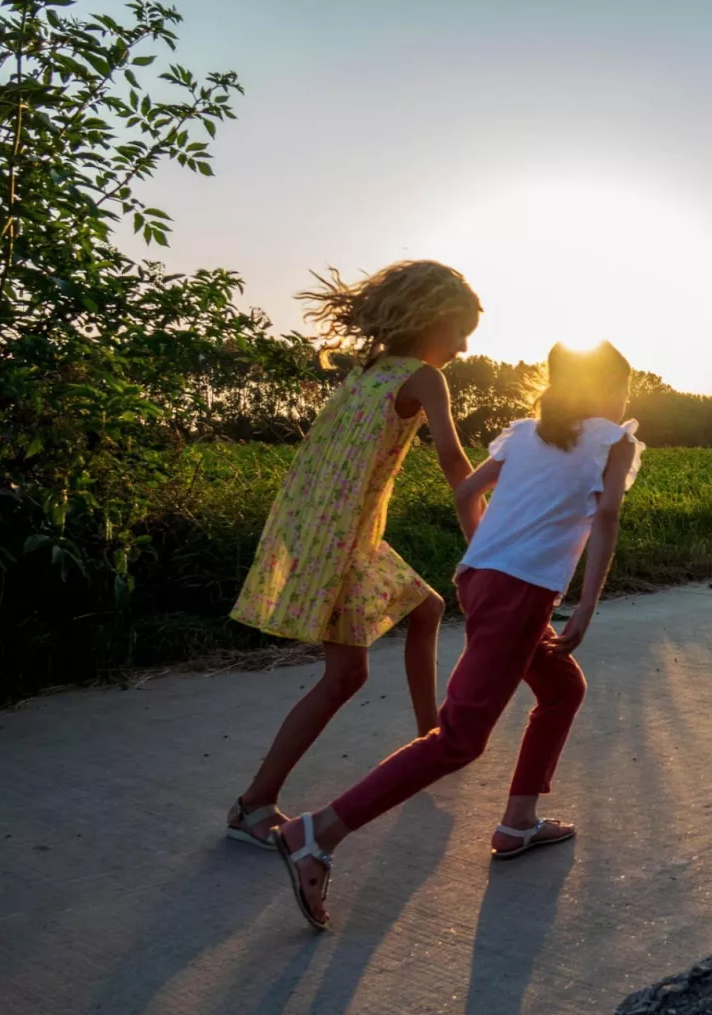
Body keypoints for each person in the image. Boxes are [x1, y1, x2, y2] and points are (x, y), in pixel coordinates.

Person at [275, 341, 643, 929]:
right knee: (458, 740)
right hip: (520, 594)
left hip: (480, 579)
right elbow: (606, 517)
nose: (625, 400)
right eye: (622, 388)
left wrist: (486, 550)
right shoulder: (613, 440)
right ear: (604, 389)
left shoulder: (525, 433)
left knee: (561, 690)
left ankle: (518, 821)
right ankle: (317, 832)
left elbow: (468, 492)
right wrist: (586, 607)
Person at [225, 260, 481, 849]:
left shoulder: (371, 371)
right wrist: (487, 532)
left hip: (334, 532)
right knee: (344, 676)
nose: (465, 346)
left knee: (426, 609)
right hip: (342, 541)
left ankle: (429, 739)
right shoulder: (422, 377)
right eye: (461, 330)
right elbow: (453, 462)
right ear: (432, 320)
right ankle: (253, 804)